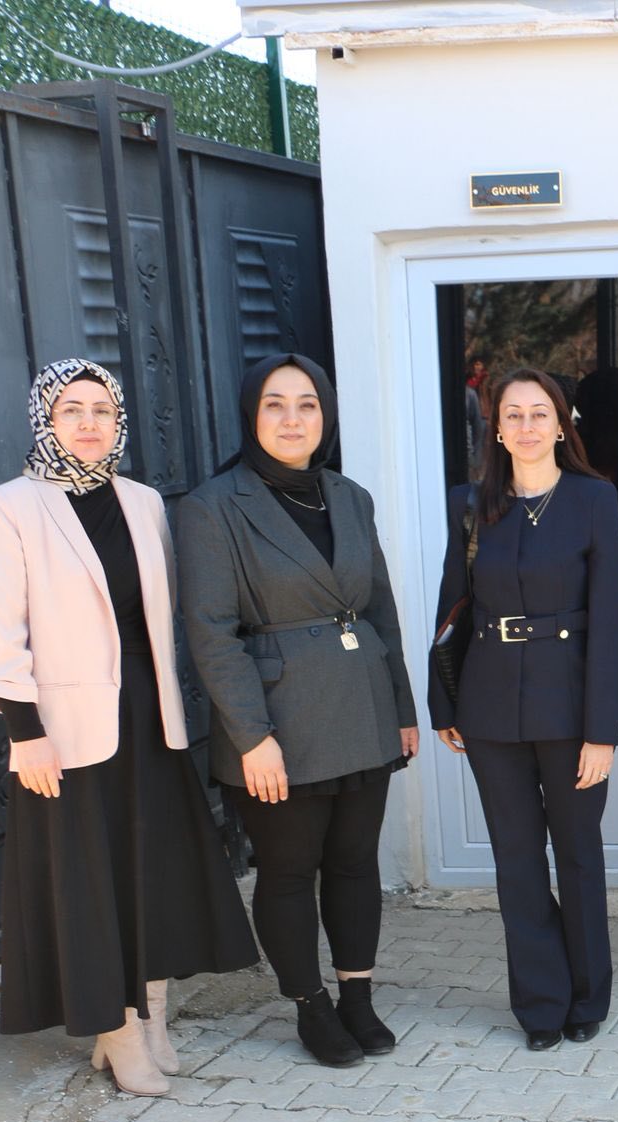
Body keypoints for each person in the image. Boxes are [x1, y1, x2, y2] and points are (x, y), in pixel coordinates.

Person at [0, 359, 255, 1096]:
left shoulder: (142, 500)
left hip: (148, 718)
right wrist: (24, 731)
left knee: (152, 872)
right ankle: (115, 1029)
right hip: (63, 730)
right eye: (72, 410)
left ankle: (153, 1013)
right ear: (45, 420)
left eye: (101, 408)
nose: (89, 422)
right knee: (88, 884)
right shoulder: (12, 506)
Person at [178, 353, 420, 1069]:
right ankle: (309, 1006)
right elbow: (211, 634)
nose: (293, 419)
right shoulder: (212, 506)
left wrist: (402, 704)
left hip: (362, 707)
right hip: (276, 719)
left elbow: (380, 607)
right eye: (276, 405)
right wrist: (251, 737)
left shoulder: (349, 496)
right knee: (288, 872)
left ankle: (357, 997)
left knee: (354, 864)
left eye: (307, 404)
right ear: (253, 416)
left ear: (326, 415)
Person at [431, 368, 618, 1051]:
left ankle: (587, 994)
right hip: (489, 708)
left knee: (576, 855)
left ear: (562, 421)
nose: (525, 426)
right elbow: (452, 603)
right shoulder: (471, 503)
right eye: (511, 415)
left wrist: (603, 729)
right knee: (517, 860)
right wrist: (443, 701)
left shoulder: (594, 500)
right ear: (496, 428)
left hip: (572, 707)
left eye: (538, 413)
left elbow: (608, 620)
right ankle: (539, 1004)